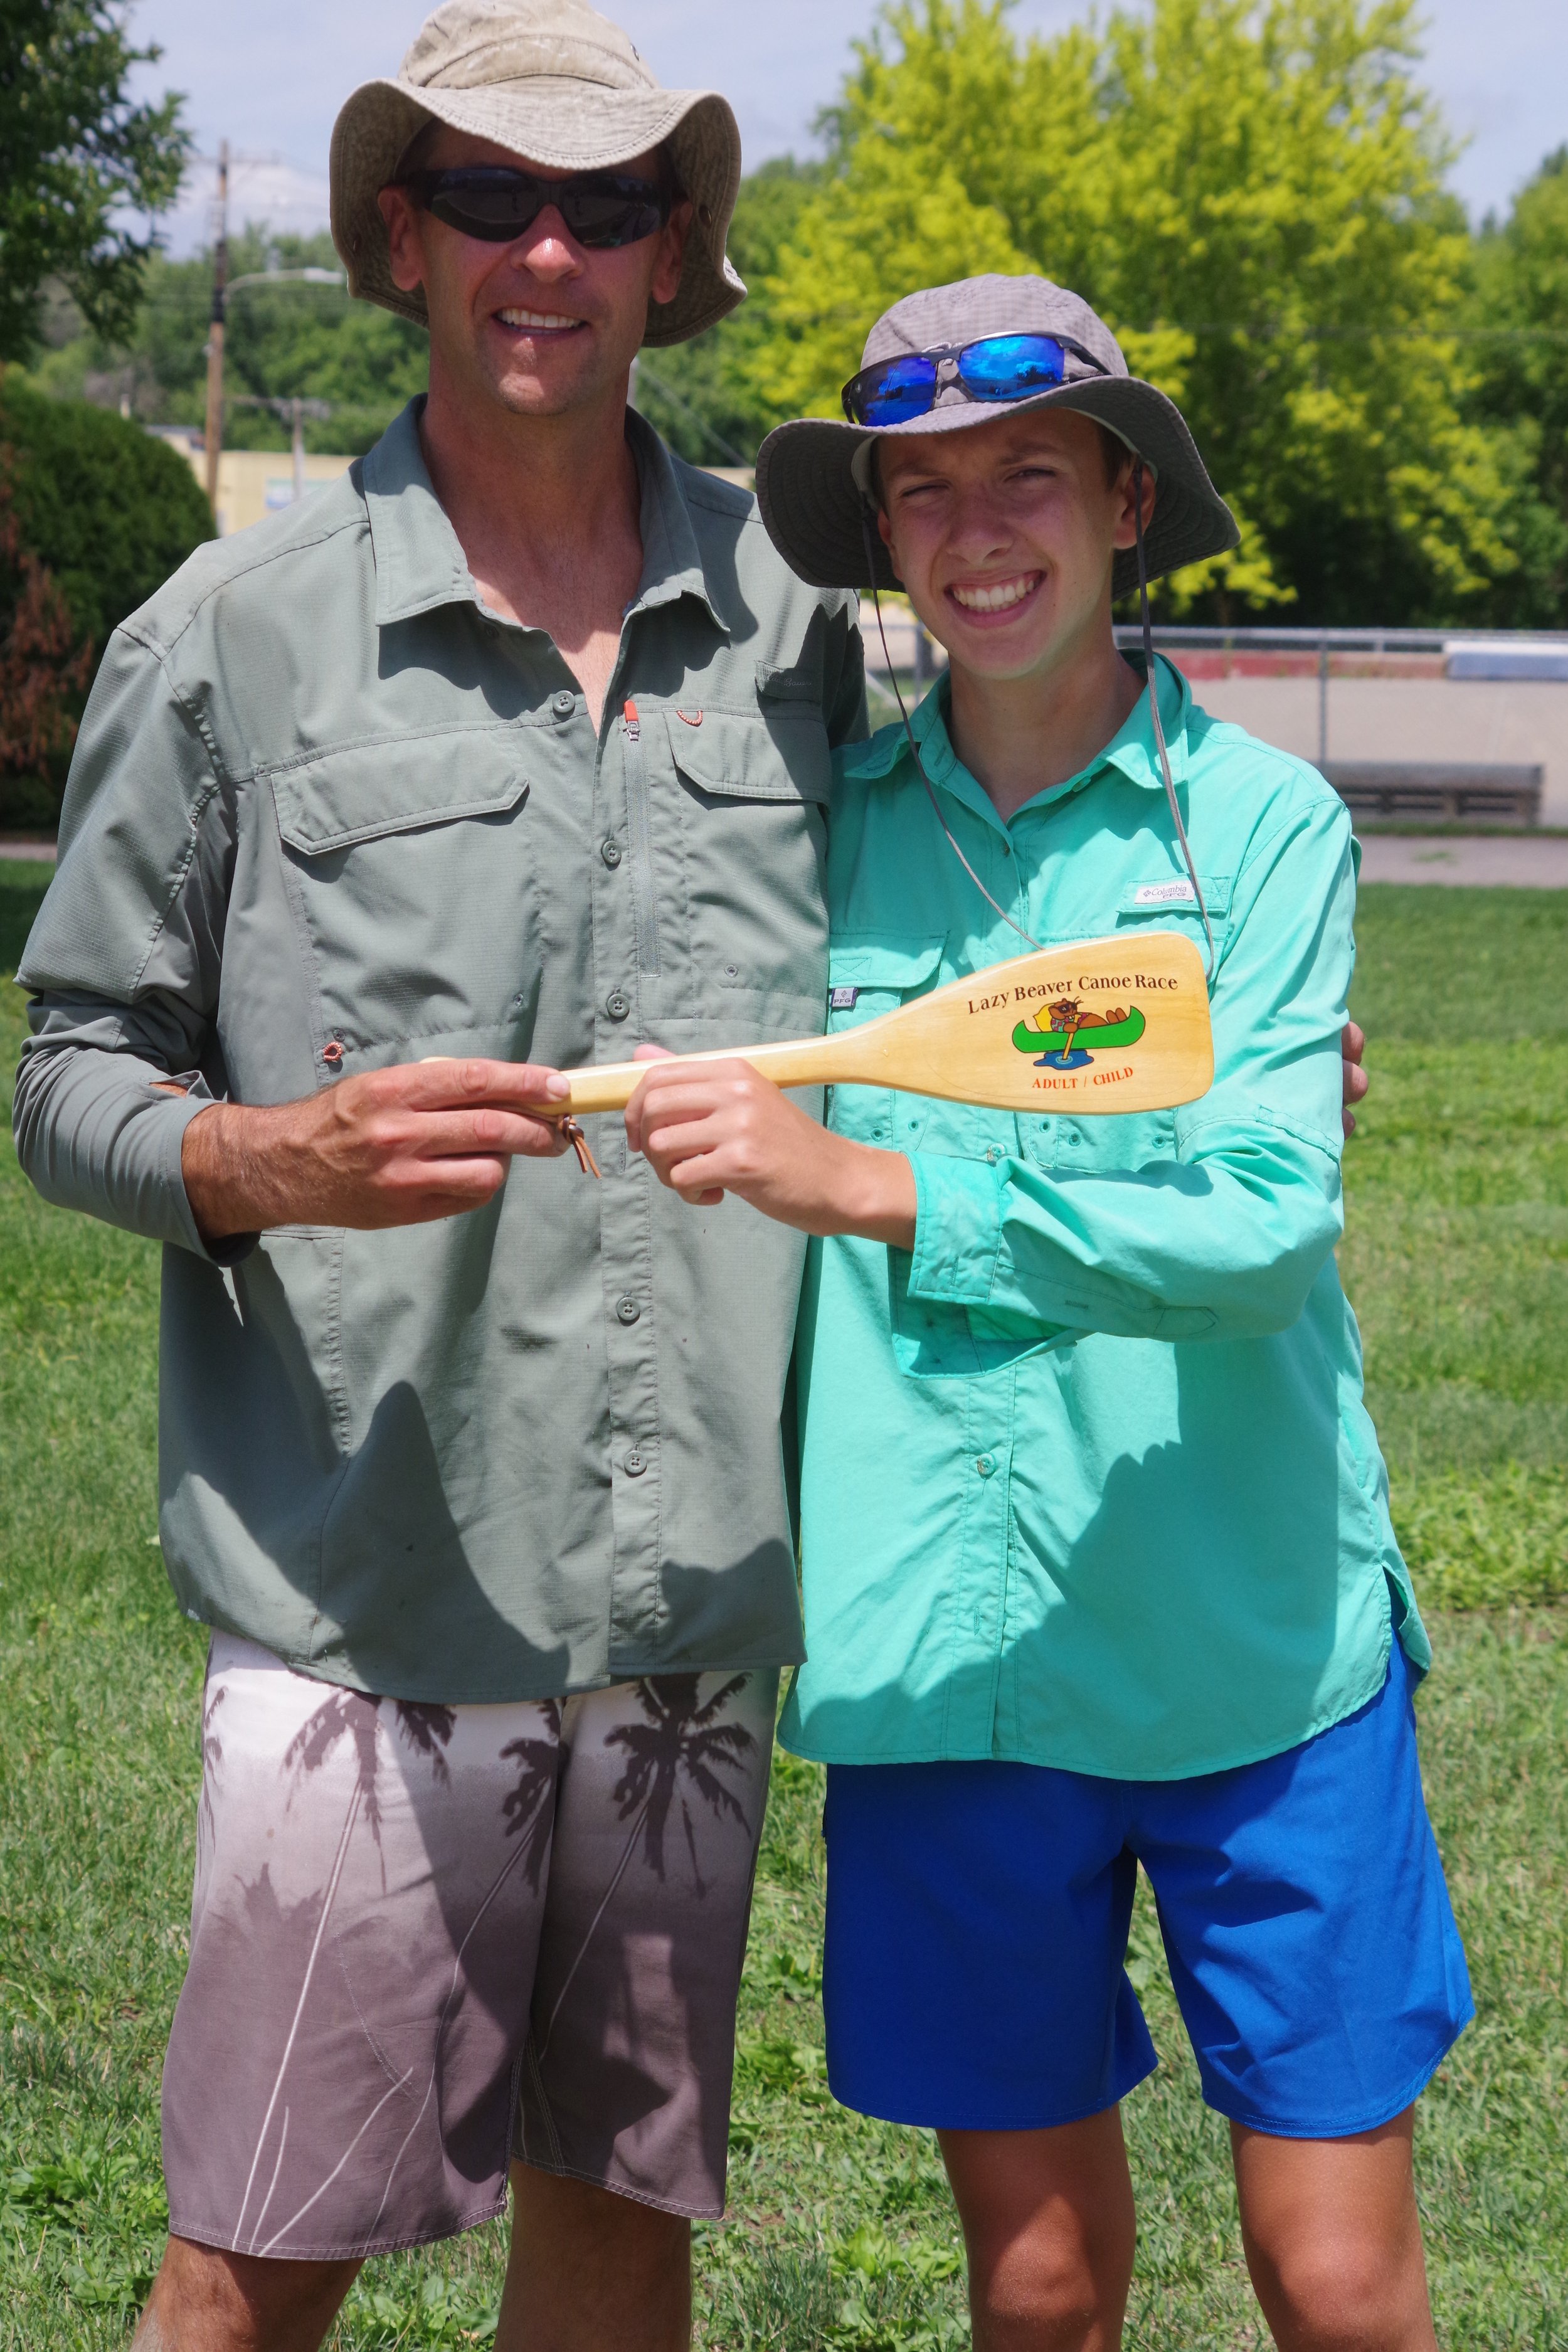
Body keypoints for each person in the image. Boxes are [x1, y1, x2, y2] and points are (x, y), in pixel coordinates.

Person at [11, 4, 868, 2347]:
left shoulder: (802, 630)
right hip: (365, 1605)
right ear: (402, 236)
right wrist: (262, 1157)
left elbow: (964, 954)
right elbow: (69, 1061)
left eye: (604, 203)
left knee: (619, 2219)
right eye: (491, 194)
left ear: (674, 251)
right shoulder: (235, 640)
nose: (546, 248)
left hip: (691, 1596)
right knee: (255, 2249)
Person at [626, 275, 1469, 2352]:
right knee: (1035, 2285)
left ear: (1118, 500)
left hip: (1255, 1645)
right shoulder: (812, 844)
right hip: (945, 1663)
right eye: (920, 493)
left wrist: (888, 1186)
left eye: (1026, 475)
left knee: (1337, 2283)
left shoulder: (1261, 828)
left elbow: (1266, 1225)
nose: (976, 530)